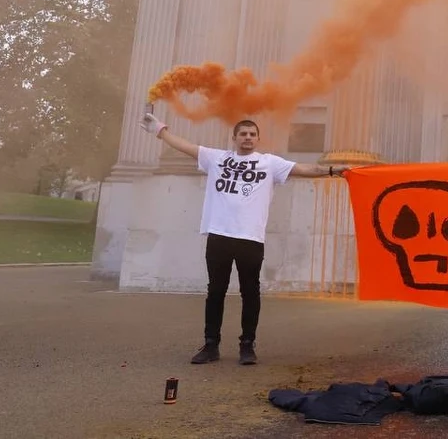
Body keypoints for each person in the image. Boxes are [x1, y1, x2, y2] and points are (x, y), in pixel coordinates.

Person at [140, 112, 344, 365]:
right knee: (215, 291)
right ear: (234, 138)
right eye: (243, 134)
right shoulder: (216, 158)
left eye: (252, 134)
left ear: (257, 139)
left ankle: (247, 345)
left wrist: (335, 170)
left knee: (251, 292)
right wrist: (160, 129)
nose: (248, 138)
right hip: (219, 235)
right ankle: (211, 345)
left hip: (250, 238)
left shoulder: (269, 163)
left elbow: (305, 169)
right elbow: (185, 146)